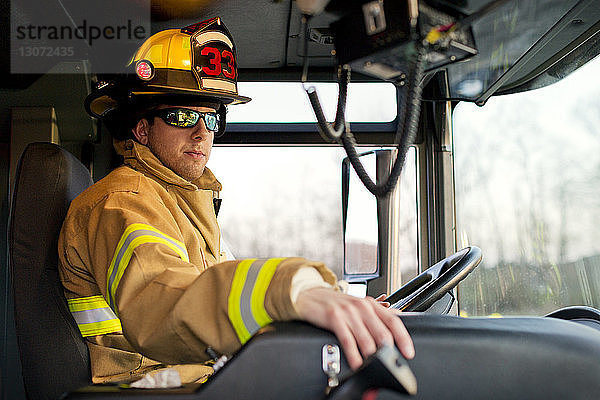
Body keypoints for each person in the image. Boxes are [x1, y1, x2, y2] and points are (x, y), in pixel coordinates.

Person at [58, 17, 414, 385]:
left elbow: (222, 305)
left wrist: (331, 304)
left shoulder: (182, 204)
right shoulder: (121, 203)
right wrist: (289, 289)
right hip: (157, 386)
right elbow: (163, 301)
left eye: (211, 118)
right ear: (142, 128)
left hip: (200, 377)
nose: (201, 132)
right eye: (183, 116)